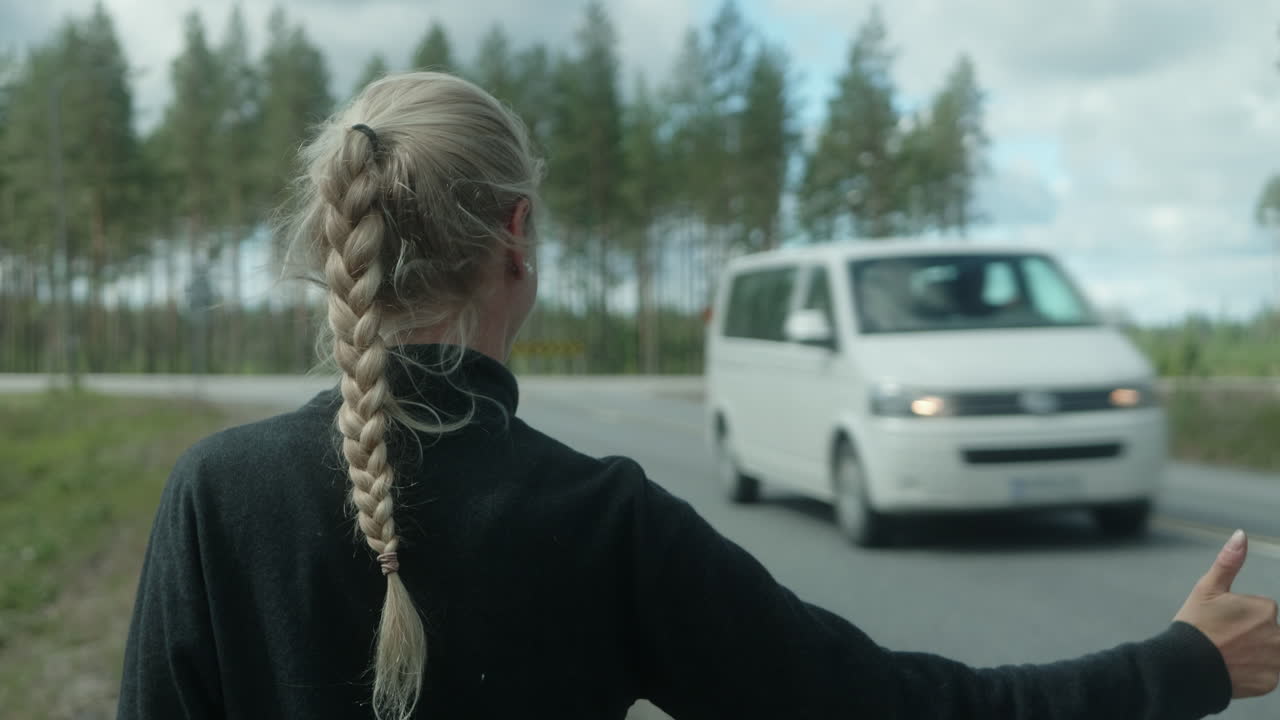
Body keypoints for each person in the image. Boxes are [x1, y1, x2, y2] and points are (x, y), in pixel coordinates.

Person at [117, 71, 1280, 720]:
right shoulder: (597, 520)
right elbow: (896, 712)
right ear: (517, 239)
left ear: (339, 243)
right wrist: (1181, 661)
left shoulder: (214, 496)